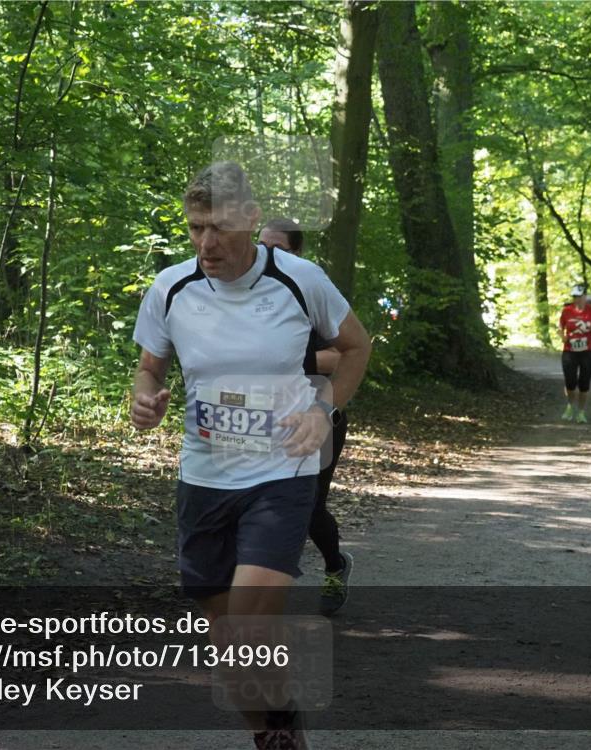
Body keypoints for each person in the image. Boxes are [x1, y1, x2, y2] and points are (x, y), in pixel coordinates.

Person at [131, 162, 372, 749]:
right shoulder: (171, 288)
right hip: (205, 476)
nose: (206, 243)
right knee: (231, 653)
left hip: (280, 472)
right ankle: (278, 730)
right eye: (194, 229)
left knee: (248, 624)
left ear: (251, 219)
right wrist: (145, 400)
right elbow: (148, 368)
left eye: (217, 228)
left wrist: (324, 410)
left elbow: (356, 346)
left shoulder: (299, 279)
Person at [258, 218, 353, 617]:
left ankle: (335, 566)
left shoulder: (311, 290)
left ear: (296, 253)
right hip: (265, 414)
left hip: (317, 411)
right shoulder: (247, 293)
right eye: (262, 245)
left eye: (278, 248)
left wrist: (287, 359)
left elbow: (339, 356)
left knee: (308, 506)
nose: (268, 255)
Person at [559, 284, 591, 423]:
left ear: (585, 297)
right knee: (570, 382)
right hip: (569, 352)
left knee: (584, 383)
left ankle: (581, 412)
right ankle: (570, 406)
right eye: (574, 297)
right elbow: (560, 327)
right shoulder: (567, 311)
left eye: (579, 297)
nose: (577, 299)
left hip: (588, 352)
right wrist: (562, 336)